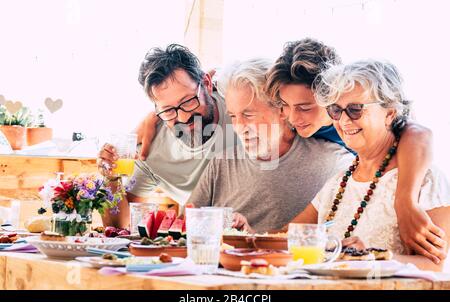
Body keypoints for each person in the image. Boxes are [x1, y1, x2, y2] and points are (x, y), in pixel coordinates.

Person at [264, 38, 446, 264]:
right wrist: (239, 236)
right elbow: (289, 238)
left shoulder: (426, 181)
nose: (344, 120)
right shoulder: (338, 183)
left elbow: (437, 267)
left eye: (355, 109)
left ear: (390, 113)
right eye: (335, 110)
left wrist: (372, 259)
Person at [188, 58, 353, 233]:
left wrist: (249, 240)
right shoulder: (222, 163)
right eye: (233, 116)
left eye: (248, 115)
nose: (238, 127)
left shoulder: (335, 163)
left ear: (282, 109)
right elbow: (183, 232)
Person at [97, 44, 237, 228]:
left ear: (207, 84)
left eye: (188, 101)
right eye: (168, 110)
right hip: (201, 240)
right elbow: (120, 225)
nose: (183, 117)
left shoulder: (237, 105)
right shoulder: (149, 147)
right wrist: (111, 179)